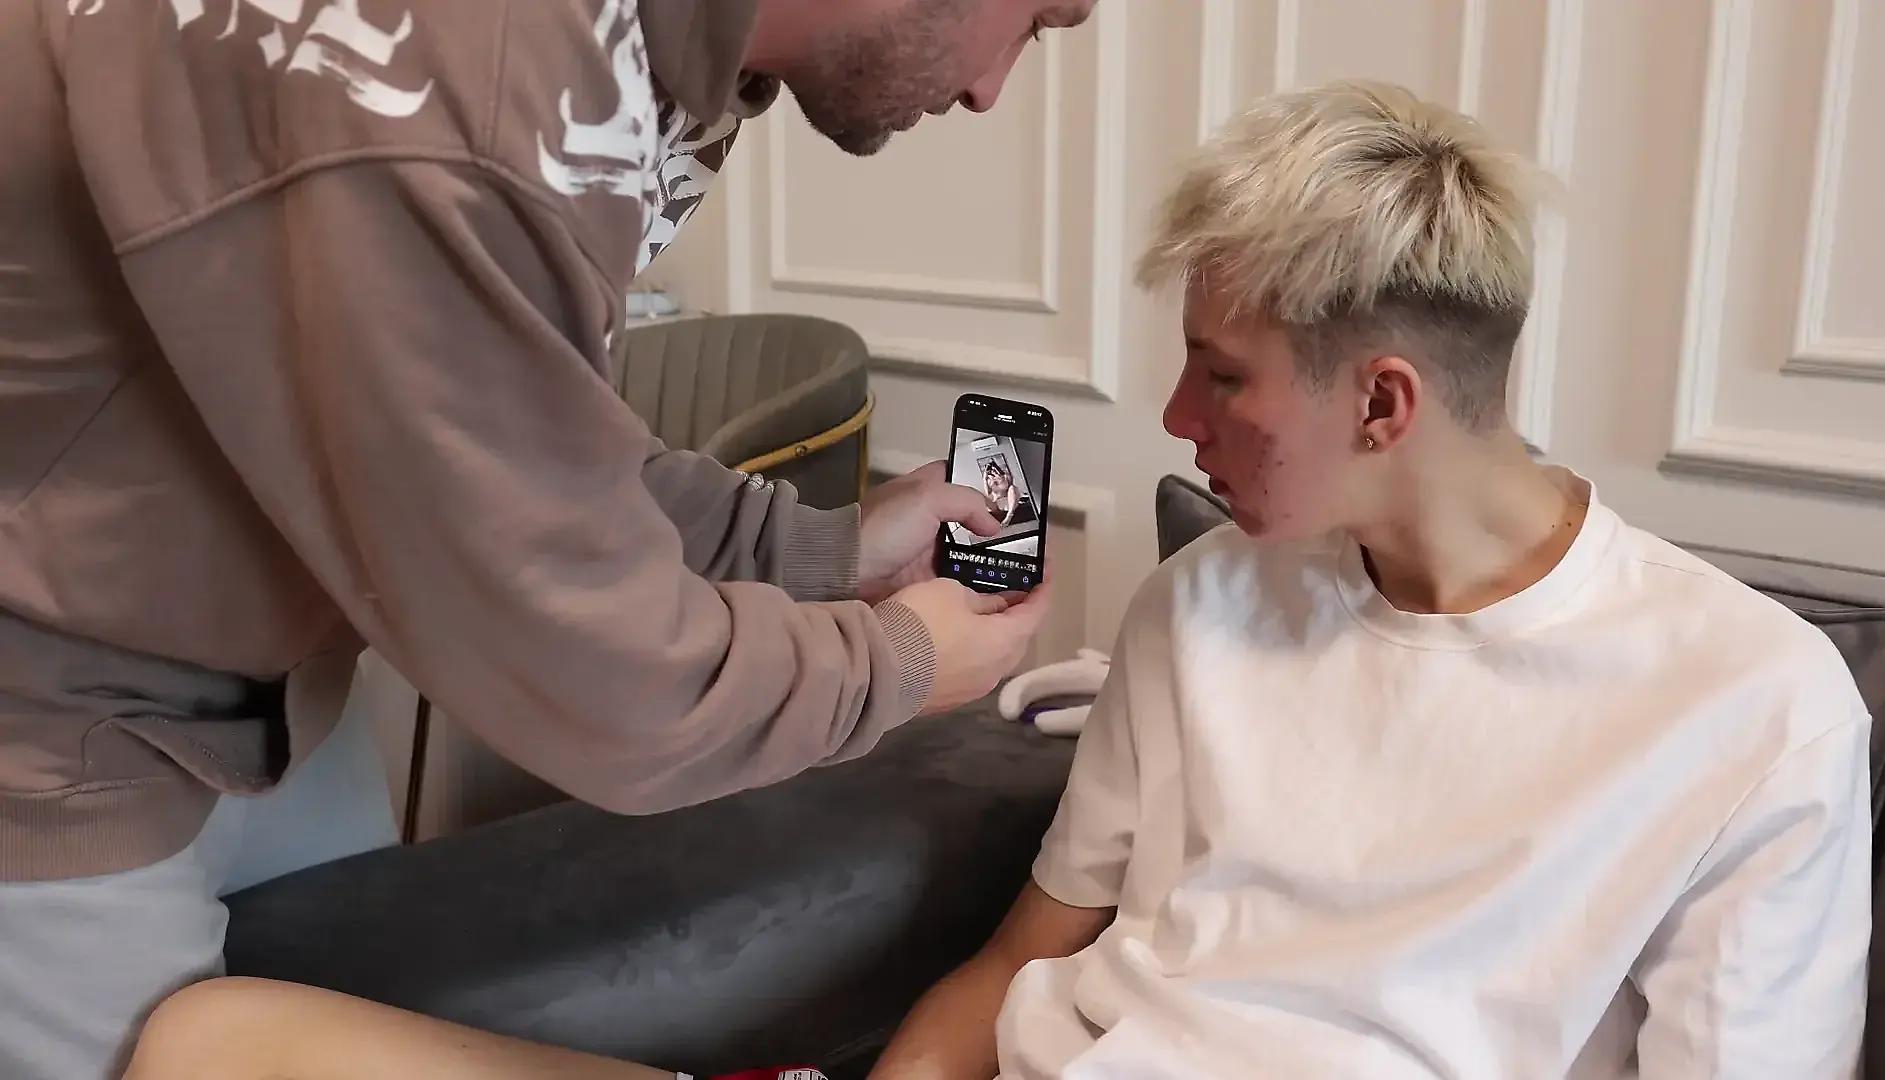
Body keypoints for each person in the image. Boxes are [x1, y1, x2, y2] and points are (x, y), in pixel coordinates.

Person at [0, 0, 1092, 1078]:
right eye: (1038, 18)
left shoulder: (645, 71)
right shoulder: (467, 71)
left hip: (275, 695)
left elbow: (534, 451)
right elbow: (603, 678)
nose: (991, 89)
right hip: (51, 731)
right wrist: (900, 661)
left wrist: (824, 554)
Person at [859, 81, 1872, 1078]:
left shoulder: (1757, 706)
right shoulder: (1198, 599)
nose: (1176, 416)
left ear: (1382, 405)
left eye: (1222, 375)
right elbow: (1014, 967)